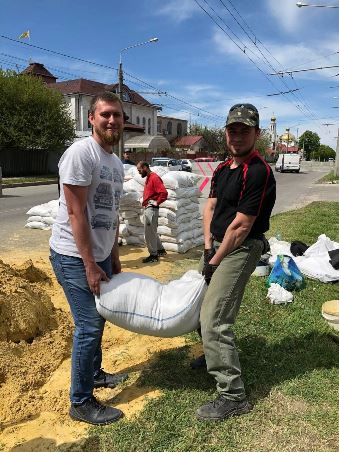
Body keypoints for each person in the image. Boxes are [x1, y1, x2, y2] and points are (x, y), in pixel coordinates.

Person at [49, 91, 129, 426]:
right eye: (105, 114)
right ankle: (80, 401)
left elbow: (109, 214)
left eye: (117, 115)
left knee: (100, 317)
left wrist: (112, 255)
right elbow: (76, 212)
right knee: (88, 325)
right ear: (91, 119)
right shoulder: (82, 153)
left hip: (99, 255)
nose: (112, 120)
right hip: (72, 255)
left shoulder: (115, 163)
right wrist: (90, 264)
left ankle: (94, 374)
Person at [195, 103, 276, 421]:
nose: (238, 136)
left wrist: (215, 259)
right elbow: (210, 208)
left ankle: (233, 395)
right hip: (217, 246)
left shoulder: (257, 171)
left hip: (241, 249)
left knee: (215, 319)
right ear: (226, 133)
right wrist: (206, 248)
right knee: (201, 305)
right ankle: (214, 354)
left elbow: (241, 227)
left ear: (257, 133)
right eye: (233, 130)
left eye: (245, 130)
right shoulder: (221, 169)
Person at [136, 161, 168, 263]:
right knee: (152, 231)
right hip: (149, 208)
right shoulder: (149, 178)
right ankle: (160, 250)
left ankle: (153, 255)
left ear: (145, 167)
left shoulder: (154, 178)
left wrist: (156, 202)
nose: (139, 173)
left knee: (149, 233)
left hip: (151, 209)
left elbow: (164, 193)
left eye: (140, 170)